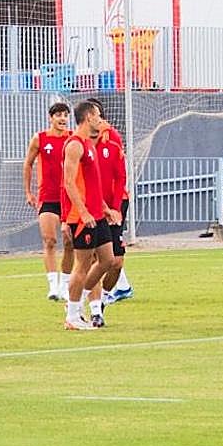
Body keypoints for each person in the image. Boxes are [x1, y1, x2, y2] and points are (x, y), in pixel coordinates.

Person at [61, 100, 120, 330]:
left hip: (97, 214)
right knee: (82, 265)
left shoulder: (88, 144)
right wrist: (83, 212)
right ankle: (72, 316)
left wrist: (104, 208)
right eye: (97, 115)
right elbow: (68, 182)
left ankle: (76, 302)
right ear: (88, 117)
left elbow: (91, 184)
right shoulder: (74, 144)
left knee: (108, 260)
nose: (100, 119)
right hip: (82, 217)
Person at [22, 101, 73, 301]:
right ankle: (53, 285)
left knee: (69, 242)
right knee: (49, 240)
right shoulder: (40, 138)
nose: (62, 119)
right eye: (58, 115)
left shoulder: (73, 139)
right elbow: (28, 164)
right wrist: (28, 192)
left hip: (69, 198)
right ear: (50, 118)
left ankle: (65, 285)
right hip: (48, 197)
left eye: (65, 115)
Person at [87, 97, 134, 306]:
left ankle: (106, 296)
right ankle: (86, 302)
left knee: (115, 261)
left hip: (115, 204)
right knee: (92, 258)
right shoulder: (77, 142)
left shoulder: (112, 138)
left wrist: (114, 208)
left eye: (96, 114)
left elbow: (120, 176)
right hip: (91, 206)